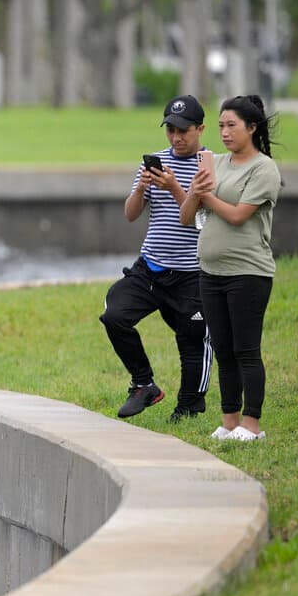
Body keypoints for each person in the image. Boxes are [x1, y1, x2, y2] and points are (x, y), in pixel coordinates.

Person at [100, 95, 213, 422]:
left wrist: (176, 187)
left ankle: (189, 407)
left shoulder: (210, 165)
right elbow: (131, 214)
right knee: (115, 315)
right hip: (150, 267)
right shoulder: (155, 162)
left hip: (191, 273)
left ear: (200, 129)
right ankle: (143, 384)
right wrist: (141, 189)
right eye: (170, 130)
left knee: (192, 341)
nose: (176, 138)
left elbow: (202, 219)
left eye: (183, 131)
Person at [179, 94, 281, 442]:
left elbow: (238, 216)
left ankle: (252, 425)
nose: (224, 132)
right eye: (221, 125)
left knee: (246, 350)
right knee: (222, 349)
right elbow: (187, 216)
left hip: (248, 273)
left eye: (231, 125)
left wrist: (207, 196)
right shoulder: (212, 161)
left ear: (252, 128)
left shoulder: (264, 168)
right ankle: (229, 422)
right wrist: (194, 192)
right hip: (211, 272)